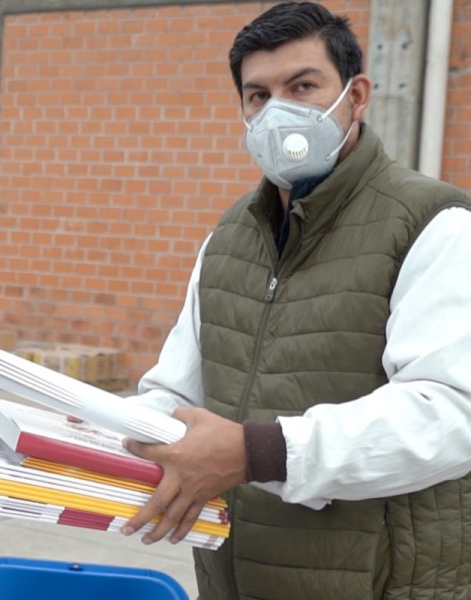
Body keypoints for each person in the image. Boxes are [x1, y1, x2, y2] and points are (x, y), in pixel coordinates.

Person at [118, 3, 471, 598]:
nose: (278, 111)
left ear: (356, 95)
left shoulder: (435, 226)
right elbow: (176, 391)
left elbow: (449, 414)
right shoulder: (228, 239)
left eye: (302, 86)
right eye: (258, 95)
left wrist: (259, 453)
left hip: (380, 581)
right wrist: (94, 432)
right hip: (237, 574)